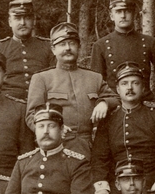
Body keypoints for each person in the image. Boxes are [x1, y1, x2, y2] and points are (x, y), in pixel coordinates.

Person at [89, 62, 155, 194]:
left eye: (135, 83)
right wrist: (102, 187)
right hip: (118, 186)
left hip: (151, 182)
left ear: (143, 88)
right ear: (117, 89)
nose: (130, 88)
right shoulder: (110, 118)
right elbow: (99, 157)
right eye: (124, 83)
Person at [25, 21, 118, 156]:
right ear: (53, 49)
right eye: (62, 44)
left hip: (90, 149)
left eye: (72, 43)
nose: (68, 48)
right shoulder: (42, 78)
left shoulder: (94, 78)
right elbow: (31, 116)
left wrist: (104, 103)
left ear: (79, 47)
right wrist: (51, 131)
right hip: (56, 149)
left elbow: (117, 99)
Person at [89, 0, 155, 108]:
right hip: (114, 108)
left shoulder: (148, 42)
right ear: (111, 15)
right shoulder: (100, 45)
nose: (123, 15)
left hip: (145, 107)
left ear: (134, 14)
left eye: (127, 11)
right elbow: (96, 83)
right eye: (118, 11)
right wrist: (104, 103)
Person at [0, 0, 55, 99]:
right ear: (10, 22)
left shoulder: (48, 47)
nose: (22, 23)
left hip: (41, 102)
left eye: (27, 18)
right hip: (8, 103)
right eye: (17, 18)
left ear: (34, 21)